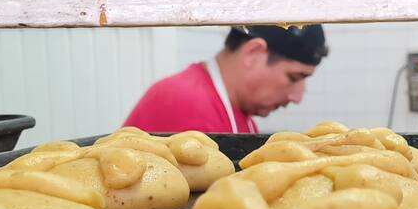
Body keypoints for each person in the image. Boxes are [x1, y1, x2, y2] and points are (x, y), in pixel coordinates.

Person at [123, 24, 328, 133]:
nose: (297, 97)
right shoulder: (186, 101)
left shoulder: (239, 112)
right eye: (294, 77)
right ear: (253, 53)